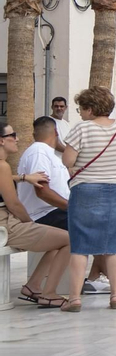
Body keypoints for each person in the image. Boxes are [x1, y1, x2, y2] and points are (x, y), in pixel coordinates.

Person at [61, 86, 116, 310]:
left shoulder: (82, 130)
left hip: (86, 189)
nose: (80, 113)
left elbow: (67, 161)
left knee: (80, 246)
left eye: (81, 109)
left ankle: (74, 299)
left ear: (90, 109)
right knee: (114, 245)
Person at [5, 122, 75, 309]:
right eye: (12, 135)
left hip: (11, 221)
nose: (17, 138)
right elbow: (14, 203)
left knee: (61, 238)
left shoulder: (5, 167)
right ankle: (49, 293)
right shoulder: (33, 154)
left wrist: (23, 177)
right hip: (10, 224)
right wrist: (30, 223)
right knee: (71, 239)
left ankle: (34, 285)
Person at [18, 116, 71, 230]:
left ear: (34, 135)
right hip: (44, 214)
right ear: (56, 131)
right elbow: (42, 191)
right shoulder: (38, 152)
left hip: (56, 212)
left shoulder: (48, 154)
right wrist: (72, 206)